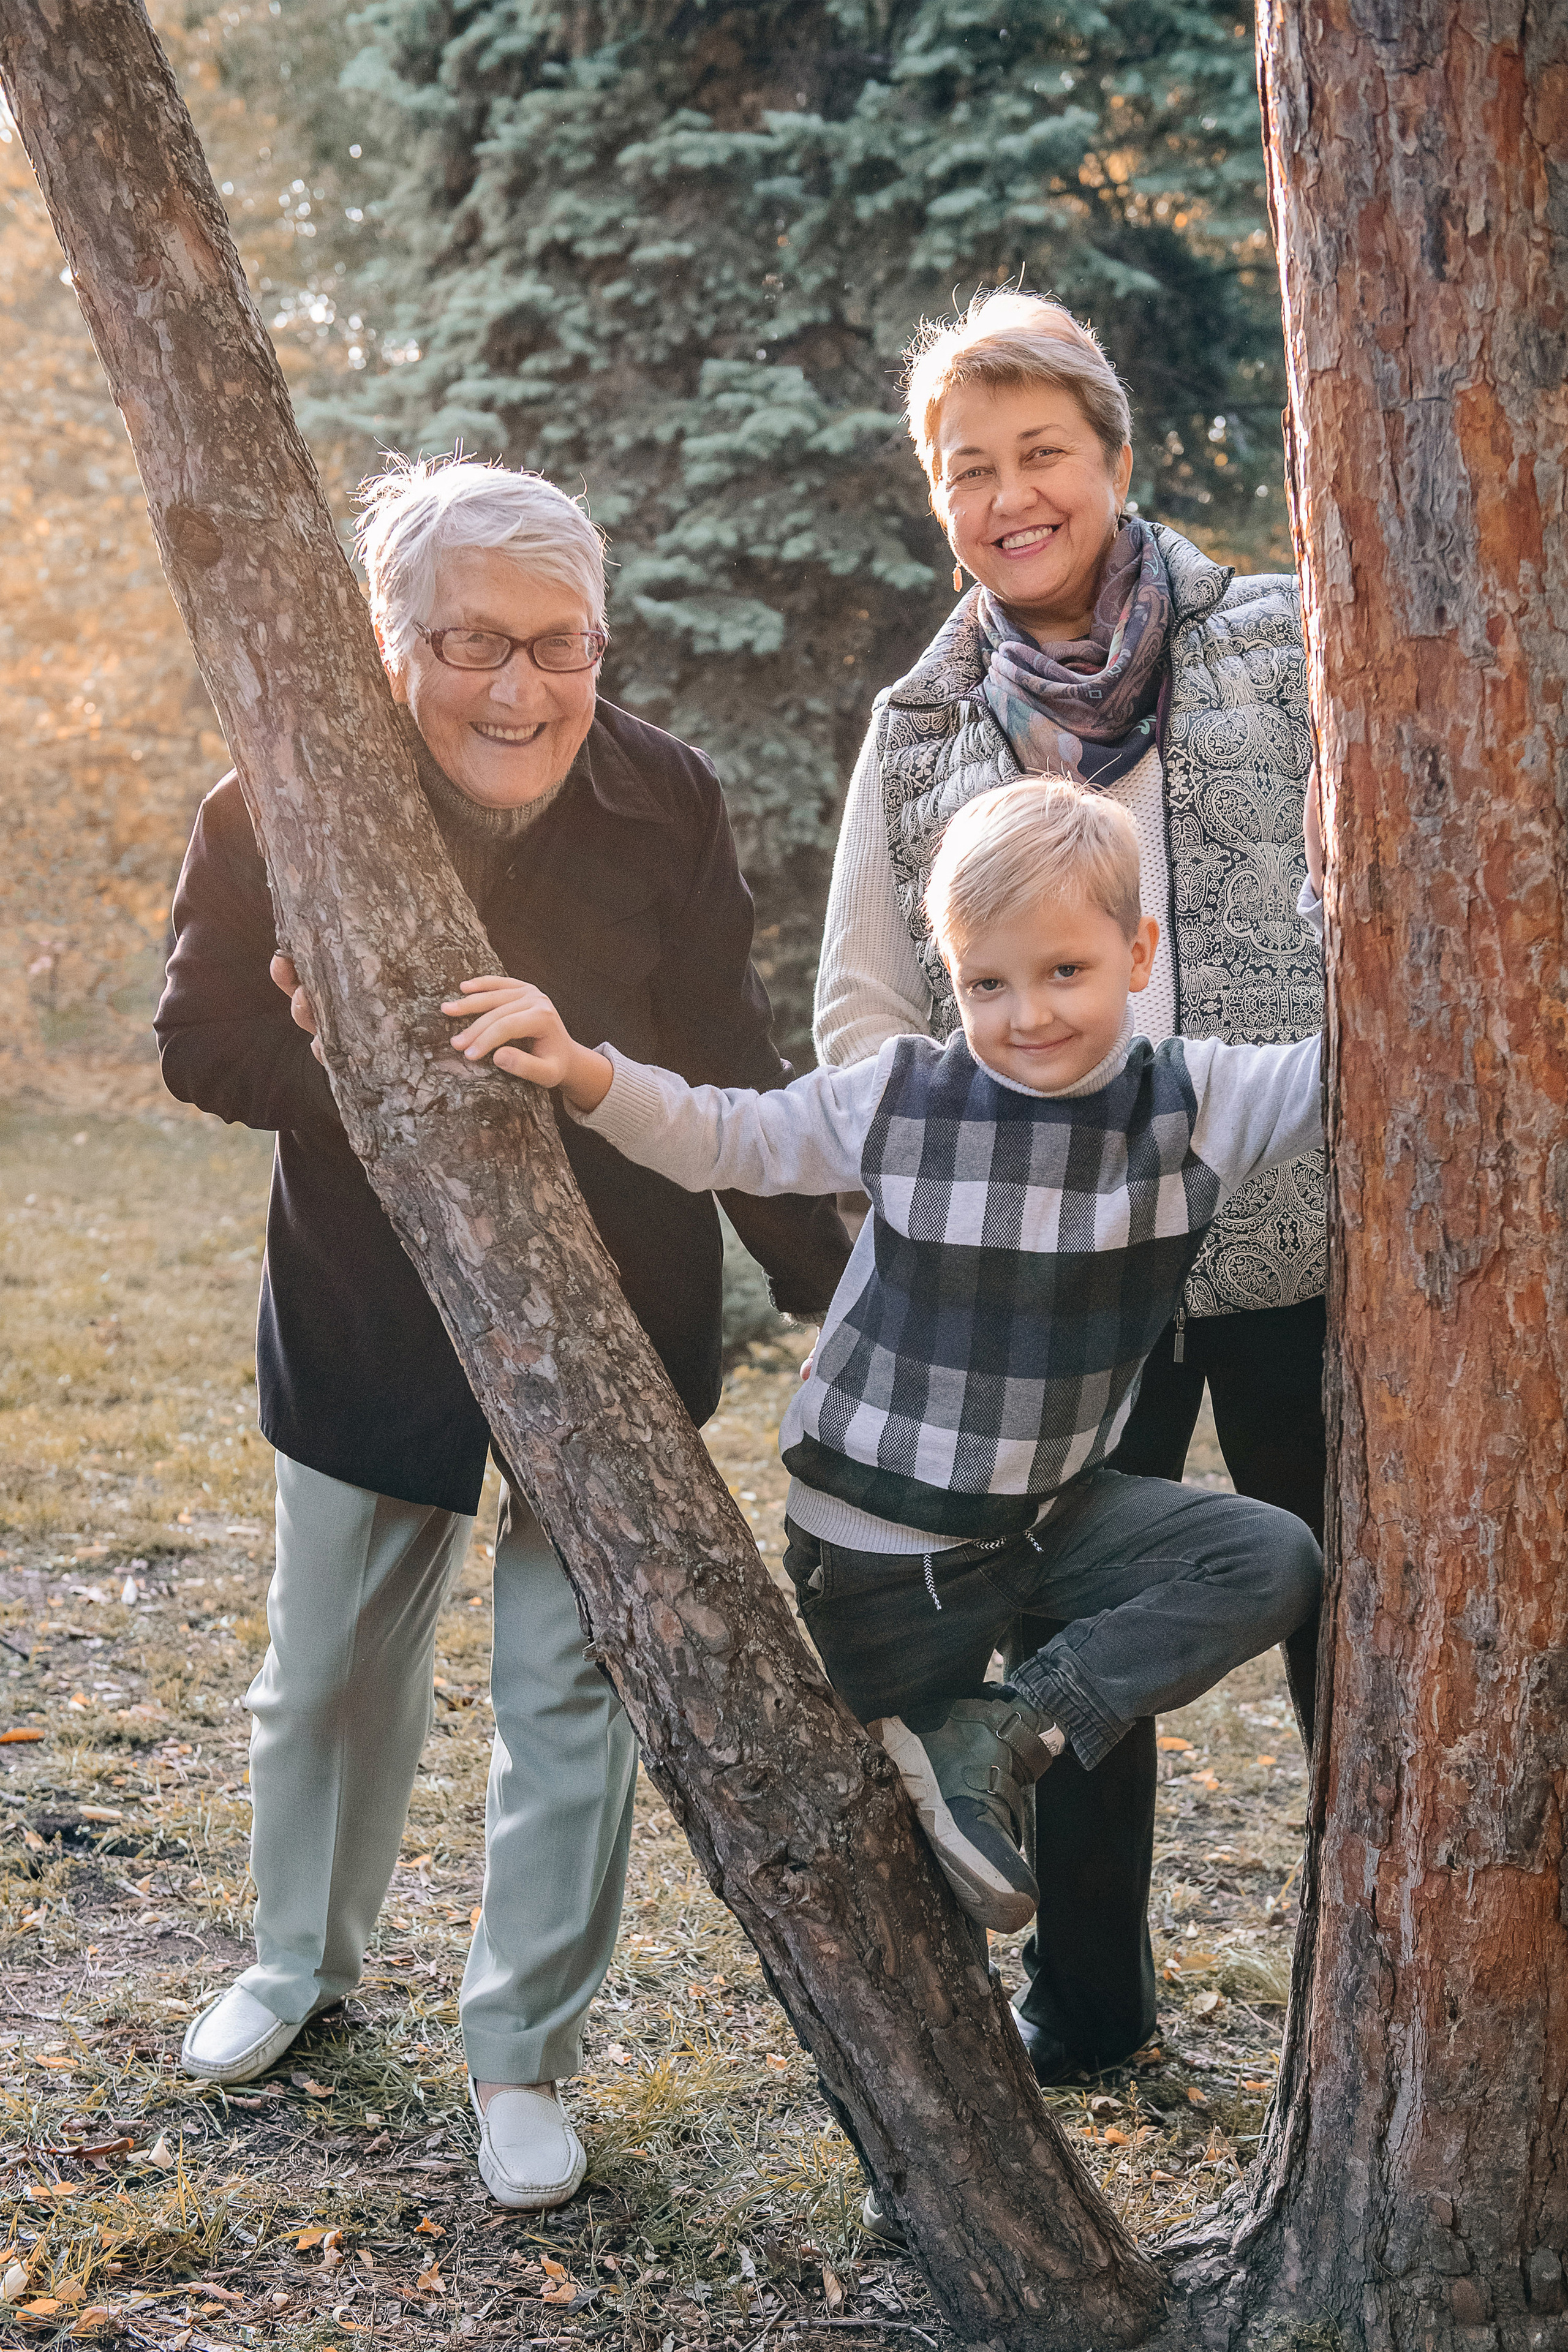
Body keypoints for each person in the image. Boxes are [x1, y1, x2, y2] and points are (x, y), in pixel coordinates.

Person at [154, 455, 848, 2210]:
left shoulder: (667, 800)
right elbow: (199, 1044)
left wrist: (825, 1285)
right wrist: (356, 1067)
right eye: (473, 642)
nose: (518, 689)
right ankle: (297, 1966)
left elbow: (731, 1052)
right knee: (322, 1679)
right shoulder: (277, 805)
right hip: (366, 1315)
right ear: (395, 644)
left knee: (571, 1698)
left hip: (609, 1317)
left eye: (561, 646)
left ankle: (523, 2054)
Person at [439, 775, 1324, 1941]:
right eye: (986, 984)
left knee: (1273, 1556)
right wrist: (587, 1070)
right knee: (923, 1882)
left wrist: (1334, 890)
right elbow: (727, 1137)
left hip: (1041, 1521)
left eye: (1067, 971)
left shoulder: (1194, 1103)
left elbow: (1352, 1065)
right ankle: (950, 1799)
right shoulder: (910, 1095)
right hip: (884, 1553)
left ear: (1138, 951)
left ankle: (1007, 1728)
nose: (1030, 1015)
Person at [812, 287, 1325, 2084]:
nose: (1011, 493)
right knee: (1080, 1649)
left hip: (1301, 1241)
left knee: (1352, 1627)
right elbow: (865, 1007)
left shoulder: (1279, 643)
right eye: (971, 469)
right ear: (938, 501)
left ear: (1115, 460)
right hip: (1060, 1285)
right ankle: (1088, 2009)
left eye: (1044, 454)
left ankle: (1384, 2013)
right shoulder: (927, 726)